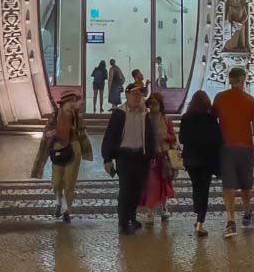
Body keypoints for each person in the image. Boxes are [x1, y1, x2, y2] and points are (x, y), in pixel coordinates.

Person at [212, 65, 254, 237]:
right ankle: (248, 213)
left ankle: (230, 220)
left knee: (228, 186)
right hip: (245, 147)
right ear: (242, 79)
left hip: (226, 147)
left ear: (230, 80)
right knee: (245, 185)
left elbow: (212, 121)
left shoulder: (220, 98)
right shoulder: (250, 100)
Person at [102, 81, 157, 235]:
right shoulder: (119, 114)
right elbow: (110, 136)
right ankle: (123, 222)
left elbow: (149, 136)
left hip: (140, 156)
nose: (137, 97)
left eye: (139, 94)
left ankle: (132, 217)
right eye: (133, 94)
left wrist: (150, 154)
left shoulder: (144, 114)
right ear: (126, 95)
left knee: (137, 190)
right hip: (124, 156)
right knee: (126, 190)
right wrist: (107, 158)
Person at [31, 91, 91, 222]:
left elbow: (83, 132)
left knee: (70, 182)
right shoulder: (56, 115)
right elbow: (46, 131)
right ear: (64, 103)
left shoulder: (77, 116)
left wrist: (78, 130)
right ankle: (58, 201)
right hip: (58, 148)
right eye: (71, 102)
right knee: (57, 181)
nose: (73, 104)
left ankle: (66, 210)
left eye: (74, 102)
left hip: (74, 148)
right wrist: (49, 134)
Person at [179, 90, 223, 236]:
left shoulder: (186, 118)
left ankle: (198, 215)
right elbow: (217, 140)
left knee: (196, 187)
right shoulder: (210, 119)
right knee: (204, 190)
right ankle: (200, 222)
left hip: (191, 160)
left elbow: (182, 138)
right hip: (207, 160)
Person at [139, 91, 177, 225]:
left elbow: (173, 138)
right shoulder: (145, 118)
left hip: (163, 156)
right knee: (151, 184)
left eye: (155, 103)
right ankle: (150, 211)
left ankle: (164, 207)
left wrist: (166, 137)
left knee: (164, 183)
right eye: (151, 103)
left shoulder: (166, 119)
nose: (153, 106)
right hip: (150, 156)